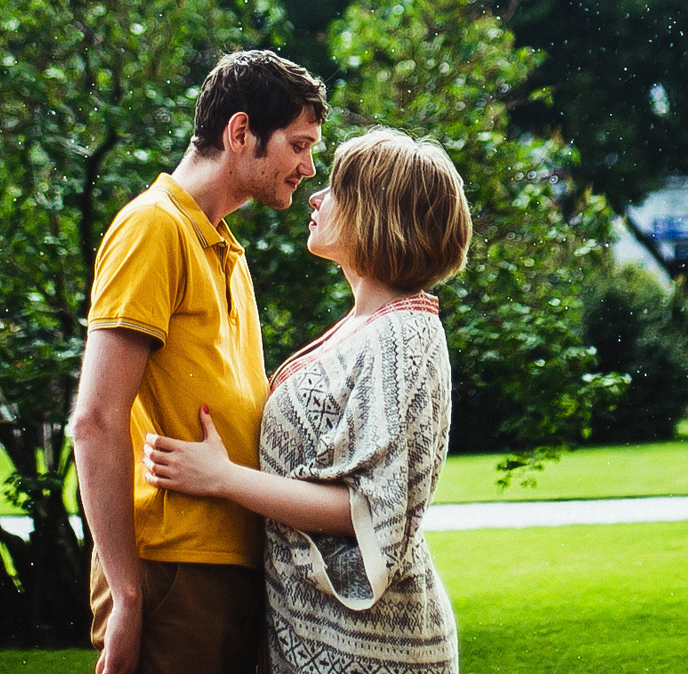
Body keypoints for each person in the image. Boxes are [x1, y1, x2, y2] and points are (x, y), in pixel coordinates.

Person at [144, 127, 471, 673]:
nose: (316, 194)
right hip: (322, 633)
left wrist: (222, 478)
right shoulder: (368, 327)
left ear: (376, 212)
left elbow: (366, 510)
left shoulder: (403, 339)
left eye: (338, 188)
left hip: (371, 647)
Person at [71, 50, 329, 674]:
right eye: (298, 145)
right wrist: (128, 596)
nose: (308, 166)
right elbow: (96, 419)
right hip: (170, 568)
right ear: (239, 133)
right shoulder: (152, 229)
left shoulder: (225, 248)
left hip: (227, 562)